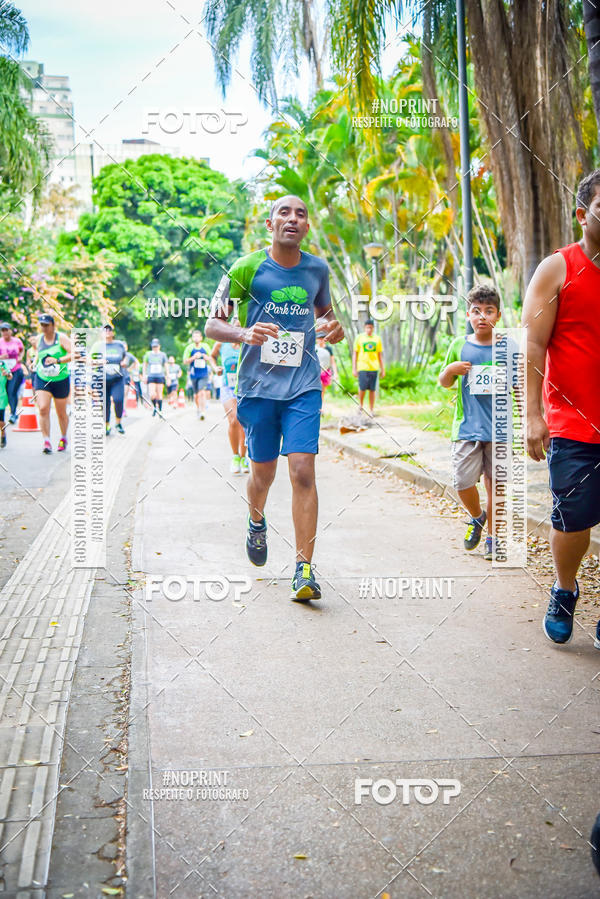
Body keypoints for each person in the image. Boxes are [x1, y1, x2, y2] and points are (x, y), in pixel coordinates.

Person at [205, 194, 344, 601]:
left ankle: (304, 569)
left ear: (306, 226)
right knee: (262, 475)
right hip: (258, 388)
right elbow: (213, 324)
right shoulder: (246, 267)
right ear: (270, 224)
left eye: (301, 213)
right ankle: (256, 519)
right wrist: (243, 333)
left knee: (302, 470)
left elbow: (327, 317)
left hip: (303, 385)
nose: (293, 218)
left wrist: (335, 329)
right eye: (284, 212)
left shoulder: (317, 269)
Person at [522, 169, 600, 647]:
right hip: (573, 421)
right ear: (582, 214)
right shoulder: (558, 268)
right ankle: (565, 588)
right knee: (573, 519)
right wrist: (533, 416)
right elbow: (531, 345)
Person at [439, 285, 518, 562]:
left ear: (498, 315)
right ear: (469, 314)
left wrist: (527, 421)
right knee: (462, 482)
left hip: (499, 430)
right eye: (476, 311)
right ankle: (477, 516)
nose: (482, 316)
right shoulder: (458, 345)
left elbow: (518, 386)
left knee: (496, 485)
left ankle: (494, 539)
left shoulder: (509, 346)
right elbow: (444, 382)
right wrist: (451, 370)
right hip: (466, 429)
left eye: (489, 311)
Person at [32, 313, 72, 454]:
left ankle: (63, 437)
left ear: (53, 325)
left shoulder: (61, 338)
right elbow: (38, 354)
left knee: (61, 413)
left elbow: (74, 354)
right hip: (43, 378)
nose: (44, 328)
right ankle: (46, 441)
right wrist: (34, 362)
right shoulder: (38, 339)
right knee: (43, 408)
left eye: (46, 325)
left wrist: (58, 360)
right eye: (42, 325)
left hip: (60, 379)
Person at [211, 328, 248, 474]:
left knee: (244, 422)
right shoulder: (221, 343)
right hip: (228, 387)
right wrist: (215, 368)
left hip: (246, 388)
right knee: (234, 419)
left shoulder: (249, 342)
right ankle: (235, 456)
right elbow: (212, 357)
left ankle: (244, 457)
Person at [353, 319, 384, 415]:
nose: (369, 329)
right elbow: (355, 353)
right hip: (362, 367)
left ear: (373, 328)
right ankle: (361, 406)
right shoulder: (359, 338)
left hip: (374, 367)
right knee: (362, 388)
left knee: (372, 389)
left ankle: (371, 409)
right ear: (364, 328)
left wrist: (383, 369)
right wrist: (354, 368)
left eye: (370, 327)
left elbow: (379, 355)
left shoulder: (377, 339)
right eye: (367, 327)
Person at [183, 329, 216, 419]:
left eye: (198, 336)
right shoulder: (189, 348)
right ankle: (198, 409)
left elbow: (211, 358)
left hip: (204, 374)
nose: (196, 338)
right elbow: (185, 361)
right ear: (192, 338)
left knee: (202, 392)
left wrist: (205, 357)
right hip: (194, 374)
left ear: (201, 338)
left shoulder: (205, 346)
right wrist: (193, 357)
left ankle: (202, 411)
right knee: (196, 395)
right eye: (194, 336)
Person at [101, 324, 128, 434]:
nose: (107, 332)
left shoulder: (119, 345)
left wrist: (125, 362)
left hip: (117, 378)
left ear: (113, 333)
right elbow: (89, 359)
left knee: (118, 400)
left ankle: (118, 423)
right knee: (105, 403)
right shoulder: (98, 346)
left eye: (109, 330)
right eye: (105, 330)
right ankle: (106, 426)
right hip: (102, 379)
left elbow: (125, 356)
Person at [0, 322, 24, 423]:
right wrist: (1, 357)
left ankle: (13, 414)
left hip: (16, 370)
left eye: (7, 330)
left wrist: (20, 358)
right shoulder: (0, 342)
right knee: (4, 393)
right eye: (3, 330)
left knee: (11, 392)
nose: (5, 332)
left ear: (10, 331)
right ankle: (3, 414)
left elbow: (22, 350)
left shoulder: (17, 341)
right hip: (3, 371)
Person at [143, 338, 169, 416]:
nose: (155, 348)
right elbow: (145, 364)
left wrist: (167, 375)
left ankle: (160, 410)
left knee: (159, 394)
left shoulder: (163, 354)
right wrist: (144, 375)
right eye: (153, 346)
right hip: (151, 376)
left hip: (160, 376)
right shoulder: (148, 354)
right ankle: (155, 407)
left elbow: (166, 365)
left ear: (159, 346)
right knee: (152, 394)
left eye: (156, 346)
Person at [316, 335, 337, 412]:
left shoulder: (328, 349)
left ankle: (320, 407)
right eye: (319, 338)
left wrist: (335, 373)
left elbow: (332, 362)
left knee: (322, 390)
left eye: (322, 338)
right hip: (315, 372)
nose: (320, 340)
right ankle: (316, 406)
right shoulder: (314, 348)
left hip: (325, 371)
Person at [0, 359, 12, 448]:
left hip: (1, 396)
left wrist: (6, 374)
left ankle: (3, 434)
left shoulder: (2, 364)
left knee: (1, 420)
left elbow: (10, 376)